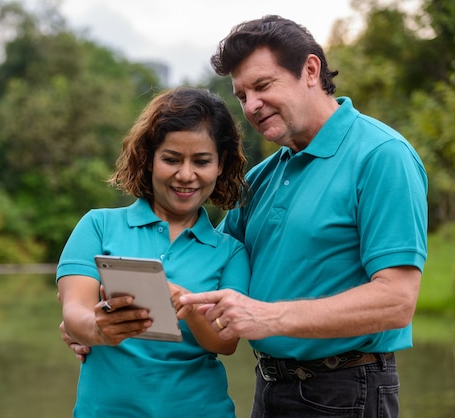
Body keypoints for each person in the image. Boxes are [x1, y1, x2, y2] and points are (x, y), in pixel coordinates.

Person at [174, 15, 428, 417]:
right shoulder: (260, 179)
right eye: (241, 95)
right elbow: (199, 265)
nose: (251, 106)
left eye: (262, 86)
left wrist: (269, 317)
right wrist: (98, 321)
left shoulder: (382, 156)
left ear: (310, 70)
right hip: (270, 387)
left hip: (347, 392)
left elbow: (397, 300)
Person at [56, 87, 251, 417]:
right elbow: (74, 313)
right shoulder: (98, 226)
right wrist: (98, 329)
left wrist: (187, 304)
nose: (186, 175)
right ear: (148, 160)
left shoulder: (231, 252)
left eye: (202, 161)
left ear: (221, 165)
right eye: (172, 159)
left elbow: (225, 343)